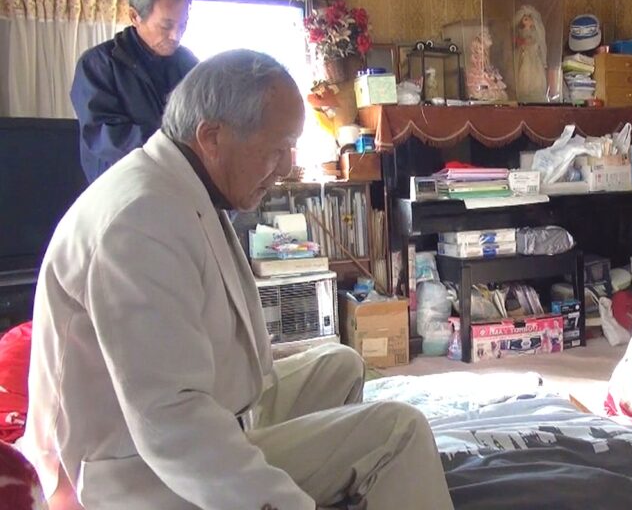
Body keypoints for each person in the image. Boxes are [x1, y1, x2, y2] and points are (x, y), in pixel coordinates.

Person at [24, 50, 454, 510]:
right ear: (211, 137)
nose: (286, 167)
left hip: (213, 416)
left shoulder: (177, 184)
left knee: (341, 363)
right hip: (137, 474)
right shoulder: (139, 221)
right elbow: (171, 421)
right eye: (277, 149)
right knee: (397, 431)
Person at [71, 0, 199, 183]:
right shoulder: (98, 64)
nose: (176, 35)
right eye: (166, 25)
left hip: (177, 183)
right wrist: (178, 143)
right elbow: (106, 137)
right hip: (122, 186)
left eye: (183, 24)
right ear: (134, 16)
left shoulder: (188, 63)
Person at [514, 4, 548, 102]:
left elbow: (535, 41)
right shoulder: (521, 31)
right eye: (524, 19)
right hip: (524, 53)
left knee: (533, 71)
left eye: (528, 19)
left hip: (532, 54)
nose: (526, 21)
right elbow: (518, 40)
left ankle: (534, 90)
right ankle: (524, 91)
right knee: (523, 70)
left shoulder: (534, 32)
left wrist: (526, 41)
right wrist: (519, 42)